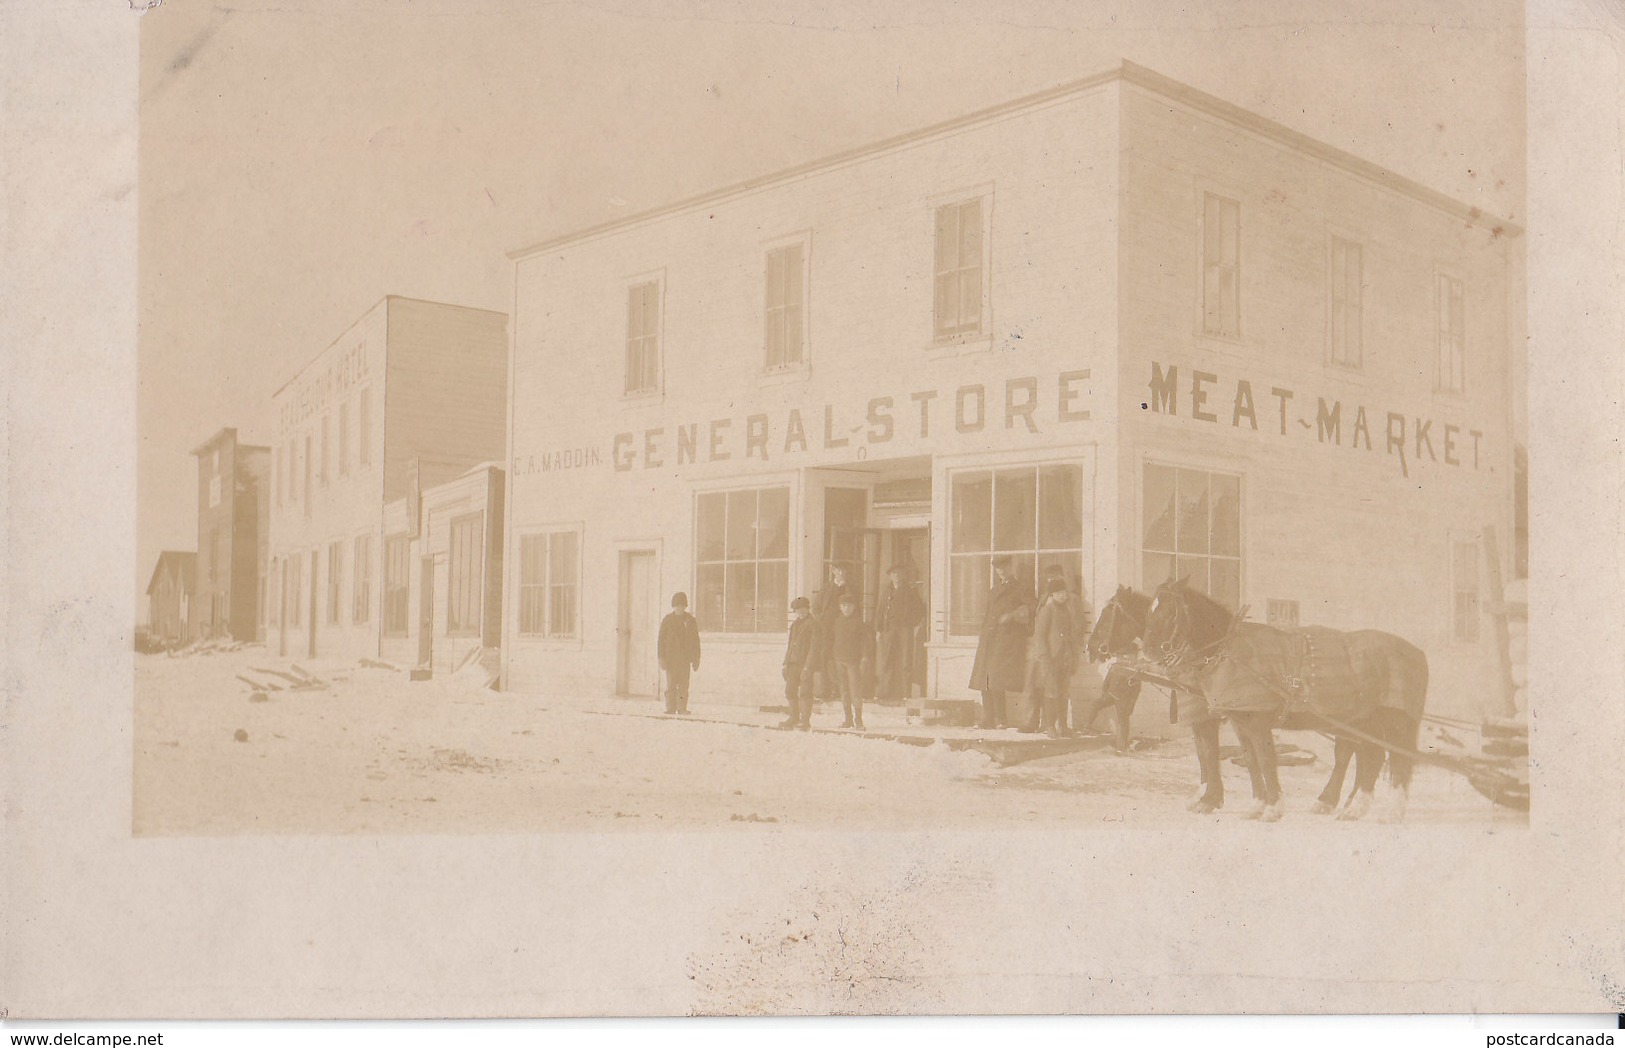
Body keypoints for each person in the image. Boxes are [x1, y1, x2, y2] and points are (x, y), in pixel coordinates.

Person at [967, 555, 1034, 729]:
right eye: (998, 568)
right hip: (989, 639)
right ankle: (989, 718)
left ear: (1011, 567)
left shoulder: (1020, 588)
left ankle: (1001, 719)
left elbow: (1032, 607)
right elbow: (988, 615)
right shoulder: (994, 589)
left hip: (1007, 640)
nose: (1002, 571)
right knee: (984, 679)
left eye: (1004, 567)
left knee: (996, 679)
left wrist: (1012, 615)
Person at [1027, 577, 1087, 737]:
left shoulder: (1066, 610)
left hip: (1065, 659)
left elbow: (1071, 636)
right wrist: (1045, 661)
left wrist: (1074, 658)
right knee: (1051, 692)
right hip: (1050, 660)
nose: (1062, 595)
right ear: (1052, 594)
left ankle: (1063, 726)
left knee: (1063, 693)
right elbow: (1040, 638)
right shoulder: (1047, 611)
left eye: (1064, 592)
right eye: (1058, 592)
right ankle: (1050, 726)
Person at [873, 565, 924, 701]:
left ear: (903, 575)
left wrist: (912, 626)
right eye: (893, 573)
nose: (896, 576)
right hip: (889, 629)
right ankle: (885, 692)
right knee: (887, 659)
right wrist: (878, 630)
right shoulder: (886, 591)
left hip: (905, 629)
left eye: (899, 573)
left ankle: (906, 693)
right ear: (890, 576)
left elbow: (920, 610)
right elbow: (880, 611)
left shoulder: (910, 591)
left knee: (906, 659)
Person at [811, 563, 852, 701]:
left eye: (842, 570)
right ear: (833, 571)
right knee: (825, 657)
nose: (840, 572)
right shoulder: (827, 588)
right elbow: (816, 607)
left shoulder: (850, 588)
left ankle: (840, 690)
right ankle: (825, 690)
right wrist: (821, 620)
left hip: (843, 629)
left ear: (845, 572)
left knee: (841, 658)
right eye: (837, 570)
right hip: (826, 629)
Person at [830, 594, 870, 729]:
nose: (846, 608)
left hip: (853, 661)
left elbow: (865, 641)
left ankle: (858, 720)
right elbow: (831, 640)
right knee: (844, 691)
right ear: (840, 607)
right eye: (844, 605)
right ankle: (848, 719)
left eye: (849, 605)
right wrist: (831, 658)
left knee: (855, 691)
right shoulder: (836, 622)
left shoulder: (859, 623)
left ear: (854, 607)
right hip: (838, 660)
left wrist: (864, 657)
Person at [657, 591, 701, 714]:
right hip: (671, 659)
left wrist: (696, 658)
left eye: (682, 605)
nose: (679, 608)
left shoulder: (690, 620)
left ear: (685, 606)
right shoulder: (667, 620)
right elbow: (660, 640)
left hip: (685, 659)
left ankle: (682, 708)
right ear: (673, 606)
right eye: (677, 605)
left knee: (683, 684)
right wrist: (661, 657)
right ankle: (670, 708)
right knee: (671, 684)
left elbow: (695, 641)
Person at [780, 596, 816, 729]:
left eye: (803, 609)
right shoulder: (794, 625)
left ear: (808, 609)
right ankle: (793, 717)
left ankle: (805, 720)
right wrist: (785, 663)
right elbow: (790, 645)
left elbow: (814, 647)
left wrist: (808, 667)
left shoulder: (813, 624)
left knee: (805, 692)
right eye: (797, 610)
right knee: (790, 690)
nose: (800, 612)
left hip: (805, 665)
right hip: (793, 664)